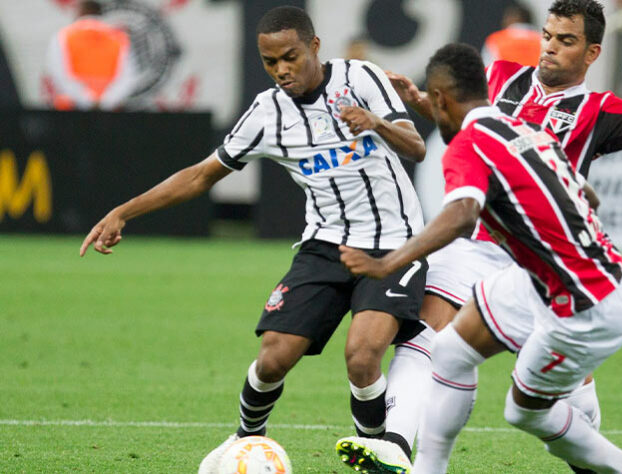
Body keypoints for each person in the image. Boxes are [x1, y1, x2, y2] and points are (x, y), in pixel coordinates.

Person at [78, 6, 434, 474]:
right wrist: (123, 212)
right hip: (325, 245)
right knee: (273, 358)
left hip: (395, 243)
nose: (282, 70)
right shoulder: (267, 112)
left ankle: (375, 452)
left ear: (314, 47)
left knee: (363, 354)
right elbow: (202, 175)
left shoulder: (360, 77)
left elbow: (416, 145)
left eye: (290, 57)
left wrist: (377, 124)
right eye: (270, 62)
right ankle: (245, 439)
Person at [375, 1, 622, 470]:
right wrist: (427, 102)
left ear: (591, 52)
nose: (551, 48)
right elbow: (463, 118)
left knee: (557, 408)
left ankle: (607, 462)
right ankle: (399, 446)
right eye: (548, 35)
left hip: (550, 264)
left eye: (566, 41)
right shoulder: (501, 75)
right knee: (437, 342)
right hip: (480, 245)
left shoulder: (596, 109)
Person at [44, 0, 138, 110]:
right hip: (110, 111)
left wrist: (86, 100)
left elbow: (58, 73)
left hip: (73, 109)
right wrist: (107, 101)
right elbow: (128, 76)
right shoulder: (119, 37)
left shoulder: (62, 36)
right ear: (100, 13)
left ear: (80, 13)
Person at [481, 2, 542, 66]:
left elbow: (487, 66)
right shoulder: (542, 39)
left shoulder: (496, 40)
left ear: (512, 19)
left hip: (506, 75)